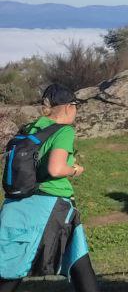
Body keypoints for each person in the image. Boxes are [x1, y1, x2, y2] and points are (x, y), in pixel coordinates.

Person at [0, 85, 98, 292]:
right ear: (69, 107)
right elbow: (56, 169)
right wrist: (74, 170)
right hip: (49, 207)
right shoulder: (63, 131)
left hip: (19, 203)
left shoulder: (29, 129)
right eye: (75, 106)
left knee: (79, 260)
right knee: (12, 272)